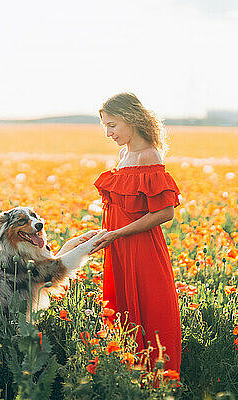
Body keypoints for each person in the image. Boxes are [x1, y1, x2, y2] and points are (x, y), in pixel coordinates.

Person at [90, 92, 182, 373]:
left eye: (113, 125)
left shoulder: (148, 155)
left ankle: (157, 379)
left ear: (131, 119)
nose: (108, 133)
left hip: (141, 248)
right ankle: (128, 373)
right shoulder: (123, 154)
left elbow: (165, 213)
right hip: (118, 246)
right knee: (122, 310)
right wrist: (105, 233)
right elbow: (121, 208)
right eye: (105, 126)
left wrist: (118, 233)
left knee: (150, 311)